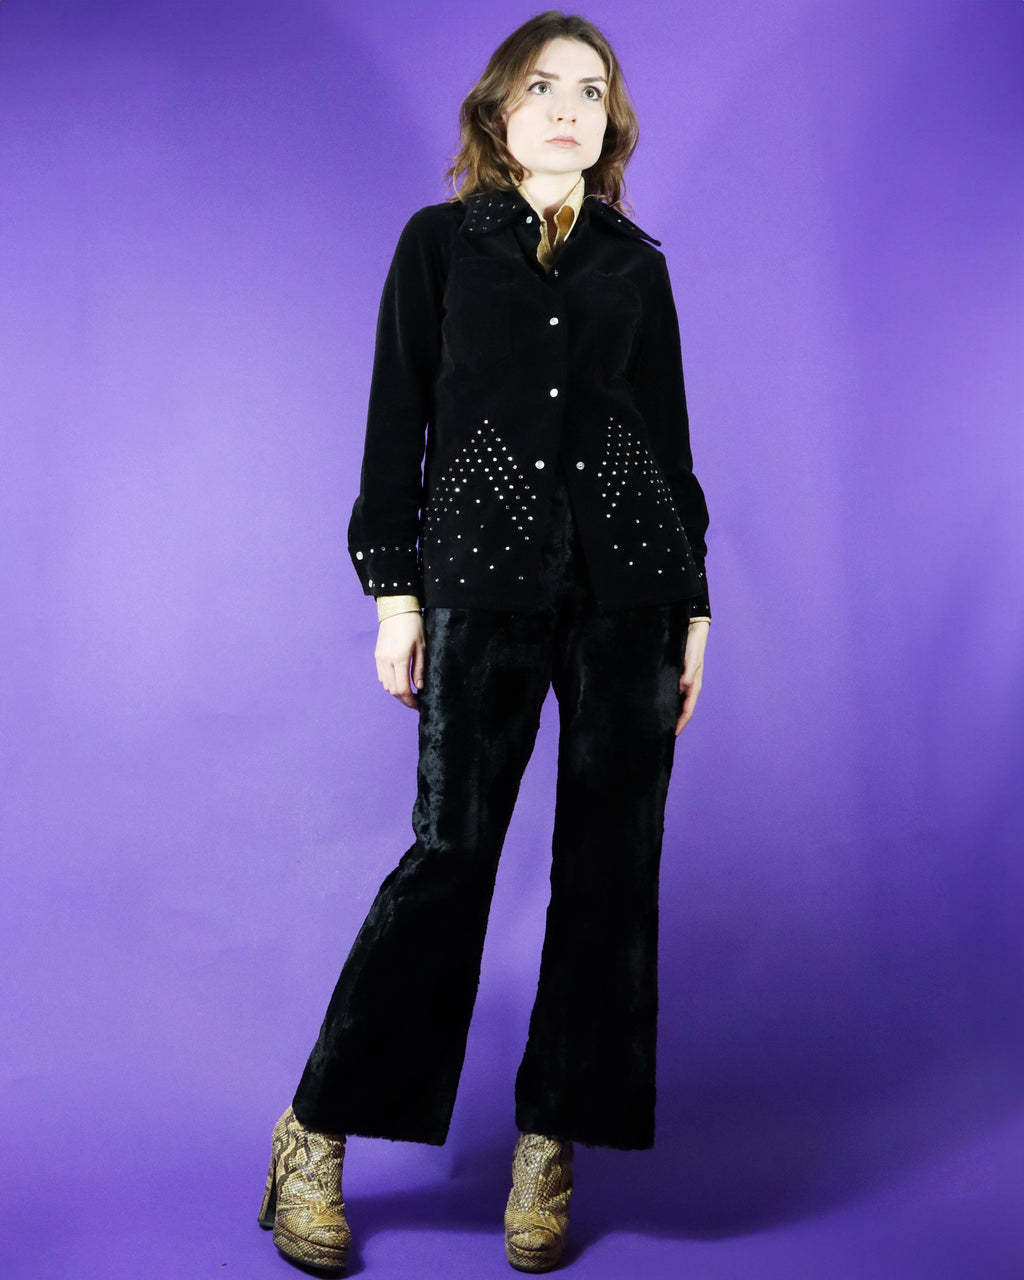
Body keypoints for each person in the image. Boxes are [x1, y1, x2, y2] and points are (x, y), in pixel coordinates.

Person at [258, 10, 710, 1274]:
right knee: (450, 854)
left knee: (609, 872)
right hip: (482, 585)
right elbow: (393, 423)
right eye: (542, 86)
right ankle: (312, 1130)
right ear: (497, 110)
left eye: (591, 90)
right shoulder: (437, 246)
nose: (567, 108)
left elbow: (668, 443)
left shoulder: (636, 266)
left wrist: (694, 607)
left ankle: (548, 1142)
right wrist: (395, 596)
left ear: (611, 122)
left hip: (629, 594)